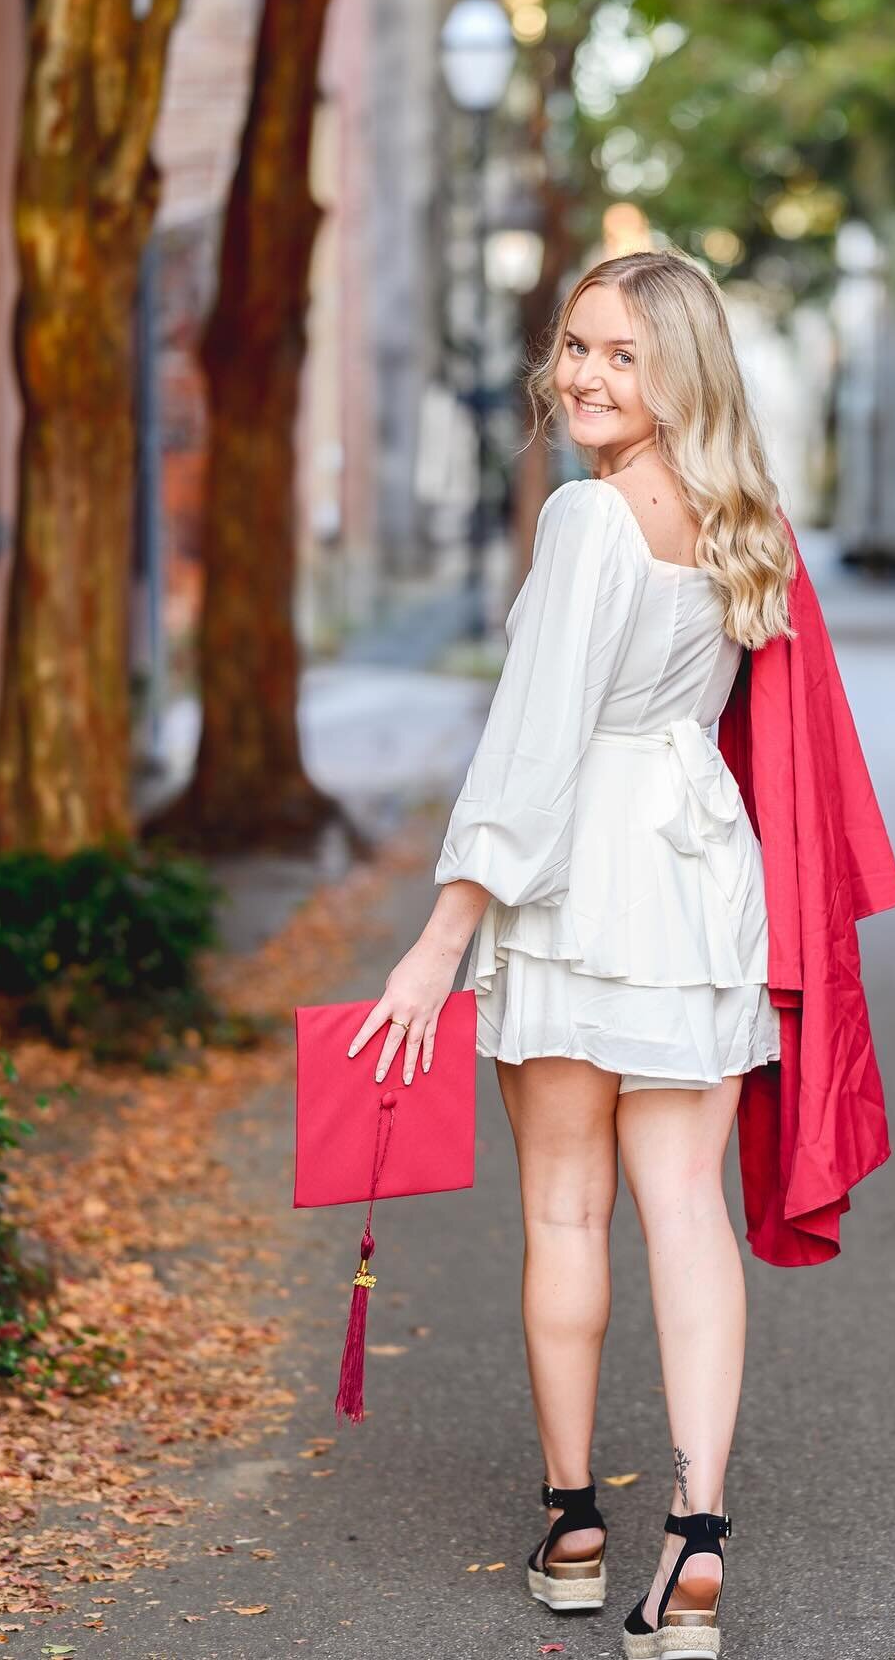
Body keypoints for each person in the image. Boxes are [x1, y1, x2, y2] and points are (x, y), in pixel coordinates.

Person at [348, 248, 801, 1659]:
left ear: (679, 373)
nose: (589, 376)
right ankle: (700, 1537)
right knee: (687, 1210)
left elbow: (534, 750)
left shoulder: (593, 522)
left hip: (582, 880)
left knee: (563, 1210)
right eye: (578, 348)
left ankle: (574, 1523)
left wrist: (436, 943)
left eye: (623, 354)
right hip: (700, 870)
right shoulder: (741, 520)